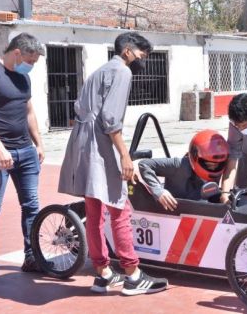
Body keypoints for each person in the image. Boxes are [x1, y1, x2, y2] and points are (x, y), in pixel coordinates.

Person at [57, 32, 168, 295]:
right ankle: (132, 274)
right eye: (142, 55)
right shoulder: (122, 71)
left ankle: (103, 273)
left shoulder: (98, 71)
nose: (143, 61)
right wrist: (124, 155)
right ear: (128, 51)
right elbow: (110, 118)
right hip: (100, 145)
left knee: (94, 211)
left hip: (82, 144)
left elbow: (81, 108)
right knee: (120, 208)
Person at [0, 33, 46, 282]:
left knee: (32, 206)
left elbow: (29, 111)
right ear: (17, 53)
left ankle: (32, 256)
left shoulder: (24, 78)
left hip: (26, 152)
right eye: (30, 60)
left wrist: (39, 143)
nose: (31, 66)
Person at [138, 130, 229, 211]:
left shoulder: (220, 166)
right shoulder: (179, 165)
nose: (213, 168)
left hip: (201, 210)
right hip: (173, 211)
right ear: (195, 156)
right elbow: (144, 164)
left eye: (216, 165)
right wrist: (159, 191)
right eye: (209, 164)